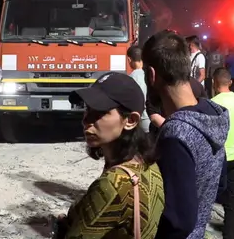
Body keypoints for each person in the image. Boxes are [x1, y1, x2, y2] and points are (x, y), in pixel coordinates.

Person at [53, 73, 165, 238]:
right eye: (87, 109)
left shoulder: (113, 185)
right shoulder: (147, 163)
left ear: (131, 120)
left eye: (100, 112)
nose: (86, 120)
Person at [142, 30, 229, 239]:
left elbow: (179, 221)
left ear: (151, 75)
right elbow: (221, 184)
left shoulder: (175, 133)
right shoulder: (213, 113)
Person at [211, 68, 234, 239]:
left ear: (214, 82)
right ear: (230, 82)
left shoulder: (213, 103)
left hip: (220, 156)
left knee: (210, 194)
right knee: (231, 198)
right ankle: (229, 234)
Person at [127, 45, 150, 133]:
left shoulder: (131, 78)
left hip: (140, 121)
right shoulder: (150, 74)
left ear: (129, 60)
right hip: (151, 119)